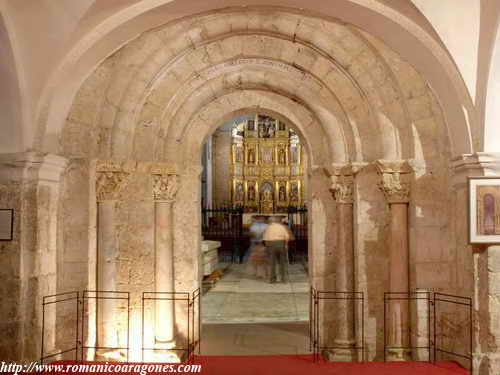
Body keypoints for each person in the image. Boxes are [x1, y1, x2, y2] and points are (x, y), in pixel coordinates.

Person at [263, 215, 294, 283]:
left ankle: (272, 279)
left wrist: (267, 247)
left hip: (270, 245)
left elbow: (265, 238)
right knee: (282, 262)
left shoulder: (268, 227)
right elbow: (287, 237)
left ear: (271, 221)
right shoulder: (282, 227)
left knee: (272, 263)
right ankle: (283, 279)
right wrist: (285, 245)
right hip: (281, 244)